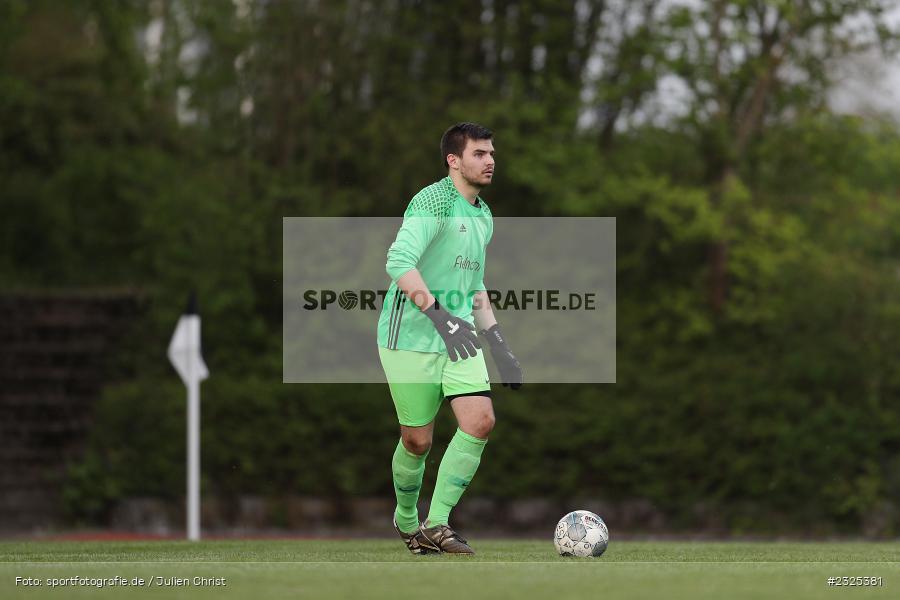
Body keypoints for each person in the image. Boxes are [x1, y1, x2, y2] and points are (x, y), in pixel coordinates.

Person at [376, 122, 524, 555]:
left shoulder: (483, 215)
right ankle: (406, 520)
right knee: (416, 441)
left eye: (492, 153)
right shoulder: (433, 201)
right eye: (480, 153)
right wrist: (441, 318)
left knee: (480, 421)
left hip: (458, 335)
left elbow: (475, 285)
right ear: (453, 160)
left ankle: (436, 523)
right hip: (409, 336)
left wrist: (498, 343)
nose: (491, 160)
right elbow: (398, 262)